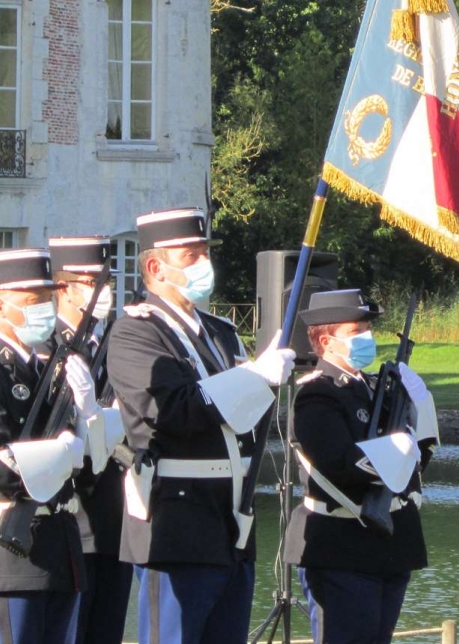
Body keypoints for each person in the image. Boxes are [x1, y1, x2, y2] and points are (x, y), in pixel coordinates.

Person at [105, 207, 296, 644]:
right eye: (190, 255)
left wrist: (265, 382)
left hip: (231, 519)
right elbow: (171, 410)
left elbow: (243, 420)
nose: (203, 265)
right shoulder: (137, 333)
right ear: (155, 266)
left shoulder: (220, 332)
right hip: (178, 518)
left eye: (204, 253)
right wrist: (254, 377)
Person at [0, 248, 101, 644]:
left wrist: (89, 415)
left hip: (61, 543)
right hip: (12, 548)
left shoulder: (48, 368)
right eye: (34, 302)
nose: (46, 311)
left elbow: (90, 465)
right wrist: (64, 453)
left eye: (48, 300)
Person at [283, 289, 439, 644]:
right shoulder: (317, 394)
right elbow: (338, 462)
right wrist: (397, 451)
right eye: (356, 331)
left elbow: (419, 463)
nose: (367, 337)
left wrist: (422, 406)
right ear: (326, 340)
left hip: (391, 543)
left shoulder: (376, 389)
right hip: (341, 543)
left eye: (367, 328)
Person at [47, 236, 131, 644]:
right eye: (91, 281)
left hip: (116, 517)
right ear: (62, 288)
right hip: (71, 518)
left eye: (105, 280)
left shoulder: (117, 343)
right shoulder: (46, 350)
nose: (104, 291)